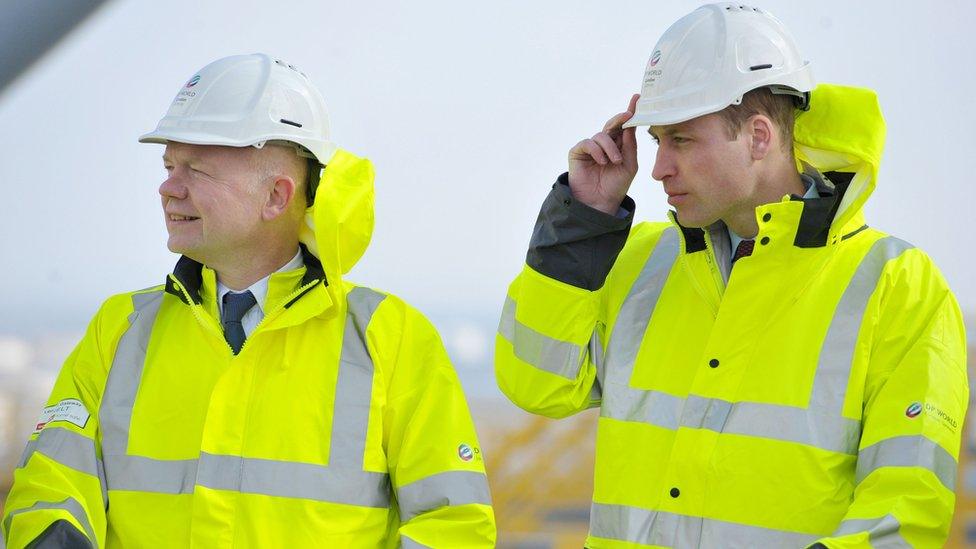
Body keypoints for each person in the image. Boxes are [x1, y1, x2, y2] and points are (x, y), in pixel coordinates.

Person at [495, 3, 967, 547]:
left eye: (682, 140)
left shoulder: (897, 286)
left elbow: (906, 510)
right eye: (657, 141)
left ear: (759, 137)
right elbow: (535, 384)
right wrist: (583, 221)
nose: (657, 168)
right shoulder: (639, 260)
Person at [2, 53, 495, 548]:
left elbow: (452, 526)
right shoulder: (120, 330)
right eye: (170, 165)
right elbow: (49, 492)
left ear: (277, 197)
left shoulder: (391, 339)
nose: (167, 188)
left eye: (197, 170)